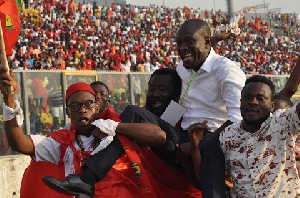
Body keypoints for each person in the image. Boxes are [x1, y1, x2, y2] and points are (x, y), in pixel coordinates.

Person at [0, 67, 166, 198]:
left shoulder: (116, 130)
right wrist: (9, 98)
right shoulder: (61, 142)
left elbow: (159, 136)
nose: (82, 110)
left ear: (97, 106)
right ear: (67, 112)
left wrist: (116, 128)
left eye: (88, 104)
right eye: (75, 106)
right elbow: (19, 143)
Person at [42, 68, 203, 197]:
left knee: (131, 113)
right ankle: (89, 181)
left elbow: (159, 136)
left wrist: (113, 126)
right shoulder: (147, 113)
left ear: (175, 95)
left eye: (162, 89)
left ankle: (88, 179)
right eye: (152, 89)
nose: (155, 94)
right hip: (157, 185)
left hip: (180, 167)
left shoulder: (177, 111)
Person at [176, 19, 246, 197]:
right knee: (135, 114)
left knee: (209, 147)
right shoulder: (182, 69)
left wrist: (195, 145)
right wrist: (163, 125)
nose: (183, 48)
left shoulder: (226, 70)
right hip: (185, 133)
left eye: (189, 42)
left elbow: (238, 120)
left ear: (207, 42)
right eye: (180, 43)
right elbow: (180, 103)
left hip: (215, 136)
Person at [218, 75, 300, 197]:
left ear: (272, 106)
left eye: (260, 98)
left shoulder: (283, 123)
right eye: (248, 98)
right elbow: (223, 175)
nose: (253, 102)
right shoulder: (227, 134)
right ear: (240, 103)